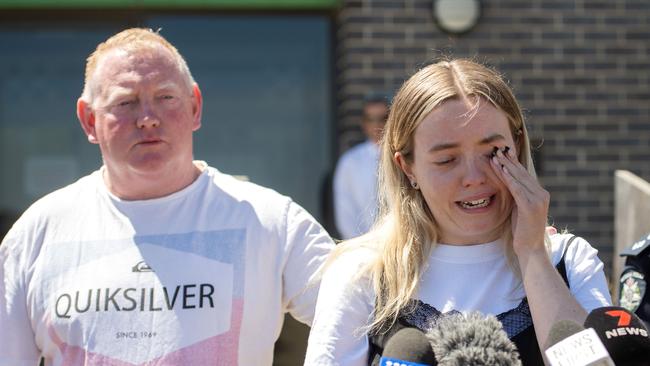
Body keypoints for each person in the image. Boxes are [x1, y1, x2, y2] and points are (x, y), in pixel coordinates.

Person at [0, 28, 334, 365]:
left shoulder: (270, 222)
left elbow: (366, 325)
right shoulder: (37, 236)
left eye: (165, 97)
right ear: (89, 119)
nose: (147, 119)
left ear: (194, 106)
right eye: (125, 102)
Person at [304, 59, 612, 365]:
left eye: (493, 152)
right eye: (447, 160)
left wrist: (532, 253)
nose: (474, 177)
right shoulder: (363, 273)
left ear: (517, 146)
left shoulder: (568, 261)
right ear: (407, 167)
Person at [333, 96, 389, 239]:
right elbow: (345, 210)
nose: (377, 124)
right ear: (363, 123)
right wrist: (362, 245)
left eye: (382, 118)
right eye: (371, 119)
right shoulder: (350, 162)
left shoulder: (405, 157)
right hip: (362, 246)